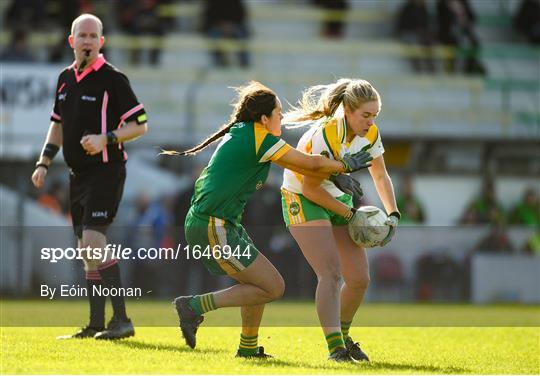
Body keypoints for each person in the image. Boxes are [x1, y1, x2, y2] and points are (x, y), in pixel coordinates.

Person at [162, 81, 373, 359]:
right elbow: (309, 164)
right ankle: (193, 306)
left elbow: (303, 166)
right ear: (264, 118)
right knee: (272, 287)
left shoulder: (247, 133)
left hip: (218, 224)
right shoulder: (260, 137)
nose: (282, 118)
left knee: (258, 284)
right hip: (213, 225)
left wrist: (335, 174)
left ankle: (248, 348)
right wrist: (346, 165)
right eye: (278, 112)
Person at [31, 14, 148, 340]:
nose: (87, 41)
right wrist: (44, 161)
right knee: (86, 251)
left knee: (95, 244)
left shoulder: (114, 78)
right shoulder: (65, 78)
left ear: (101, 42)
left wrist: (106, 138)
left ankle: (122, 320)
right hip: (77, 175)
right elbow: (57, 124)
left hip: (106, 171)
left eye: (92, 36)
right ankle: (96, 324)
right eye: (81, 35)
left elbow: (140, 125)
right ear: (72, 41)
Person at [280, 79, 400, 362]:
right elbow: (310, 188)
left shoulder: (369, 134)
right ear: (347, 110)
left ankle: (344, 337)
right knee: (331, 273)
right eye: (365, 115)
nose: (371, 122)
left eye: (375, 116)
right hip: (303, 198)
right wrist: (351, 215)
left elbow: (380, 175)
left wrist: (393, 214)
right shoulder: (325, 135)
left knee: (359, 279)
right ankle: (335, 348)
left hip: (336, 198)